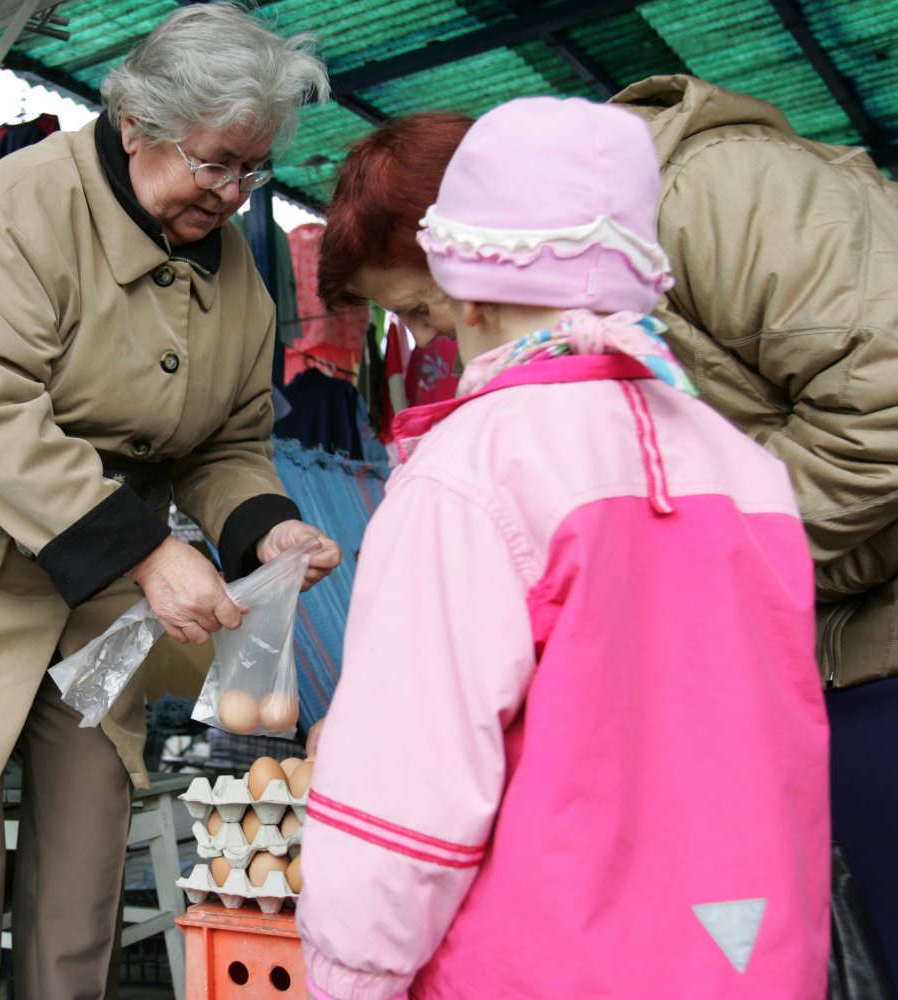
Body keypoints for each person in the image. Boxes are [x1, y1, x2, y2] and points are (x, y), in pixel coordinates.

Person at [0, 5, 339, 998]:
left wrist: (263, 524)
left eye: (250, 169)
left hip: (92, 583)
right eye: (215, 163)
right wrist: (149, 552)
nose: (233, 191)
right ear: (136, 124)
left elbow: (227, 442)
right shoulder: (23, 204)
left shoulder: (240, 276)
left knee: (83, 865)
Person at [316, 73, 898, 976]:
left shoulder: (467, 476)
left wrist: (348, 973)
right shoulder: (742, 470)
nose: (430, 339)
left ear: (467, 276)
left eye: (425, 310)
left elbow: (412, 786)